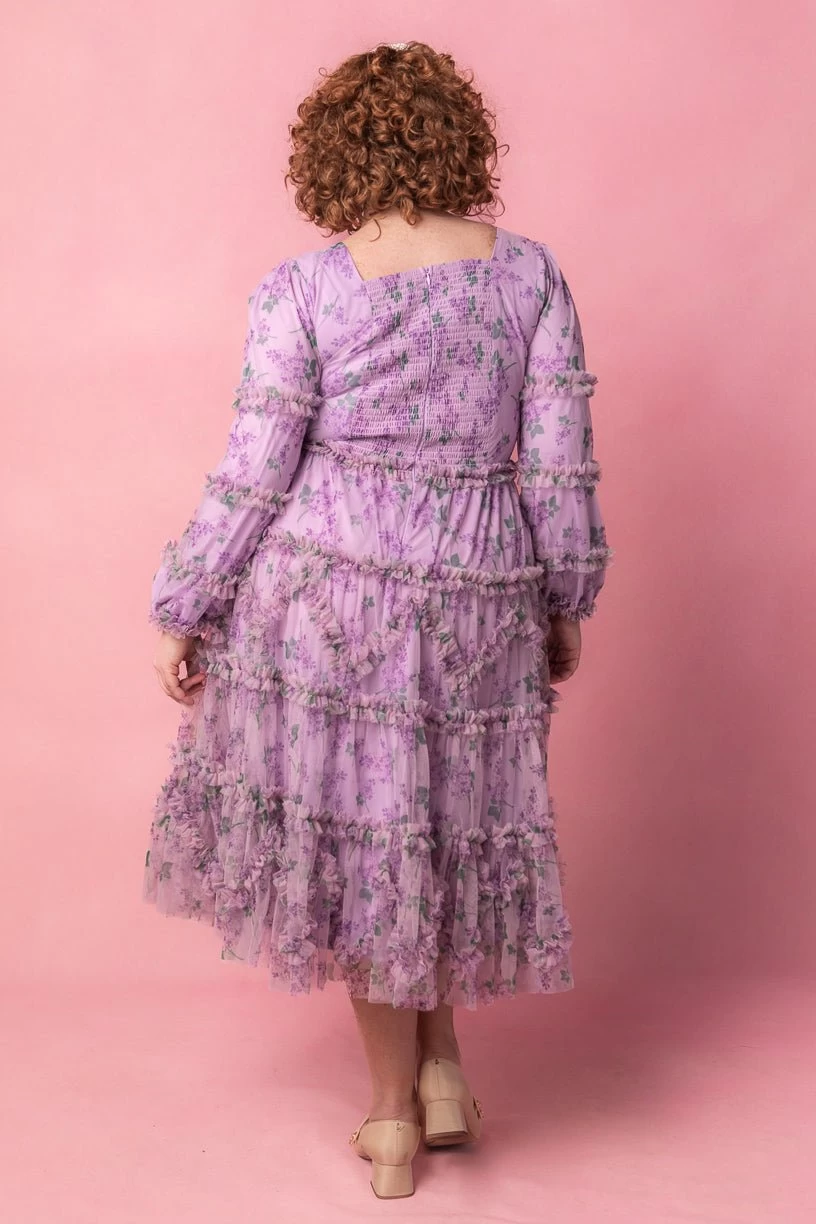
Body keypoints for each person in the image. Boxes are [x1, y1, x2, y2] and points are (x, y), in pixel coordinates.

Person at [143, 39, 613, 1200]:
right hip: (474, 592)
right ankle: (442, 1075)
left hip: (331, 598)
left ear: (334, 152)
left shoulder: (304, 290)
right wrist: (564, 595)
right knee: (436, 827)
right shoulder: (532, 276)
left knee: (375, 844)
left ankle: (393, 1117)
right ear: (460, 139)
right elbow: (559, 461)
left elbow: (255, 471)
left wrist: (187, 603)